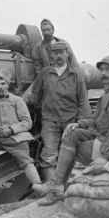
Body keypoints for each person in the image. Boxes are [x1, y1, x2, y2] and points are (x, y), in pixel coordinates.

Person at [35, 55, 109, 200]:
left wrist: (105, 156)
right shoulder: (108, 93)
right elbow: (96, 121)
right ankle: (57, 185)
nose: (103, 73)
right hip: (107, 140)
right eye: (102, 70)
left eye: (108, 69)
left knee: (74, 150)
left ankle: (57, 188)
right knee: (71, 133)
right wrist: (78, 124)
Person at [28, 41, 92, 182]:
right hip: (50, 121)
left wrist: (81, 123)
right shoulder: (45, 74)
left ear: (67, 54)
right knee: (48, 156)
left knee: (68, 155)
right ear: (51, 55)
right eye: (55, 52)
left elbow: (83, 100)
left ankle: (62, 186)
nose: (59, 55)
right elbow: (34, 96)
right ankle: (53, 189)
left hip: (70, 121)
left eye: (61, 52)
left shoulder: (76, 75)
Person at [0, 68, 43, 192]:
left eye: (3, 84)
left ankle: (38, 186)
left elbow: (27, 122)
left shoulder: (17, 100)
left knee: (25, 161)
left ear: (8, 85)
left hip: (16, 139)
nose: (0, 87)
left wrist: (11, 129)